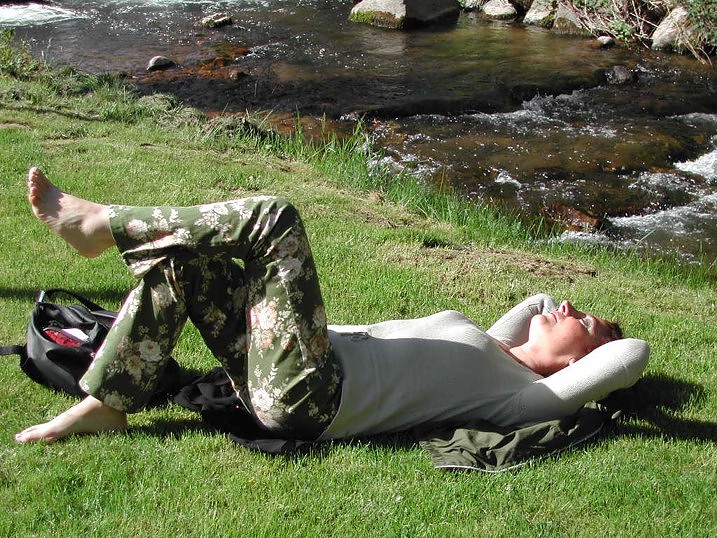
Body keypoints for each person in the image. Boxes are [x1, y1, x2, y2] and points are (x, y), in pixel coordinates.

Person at [15, 167, 649, 444]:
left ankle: (102, 224)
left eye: (584, 320)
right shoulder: (499, 350)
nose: (568, 305)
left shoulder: (524, 398)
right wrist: (556, 324)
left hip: (311, 395)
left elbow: (630, 356)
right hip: (286, 365)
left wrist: (589, 346)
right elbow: (538, 300)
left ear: (579, 366)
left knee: (275, 219)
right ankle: (108, 404)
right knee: (183, 263)